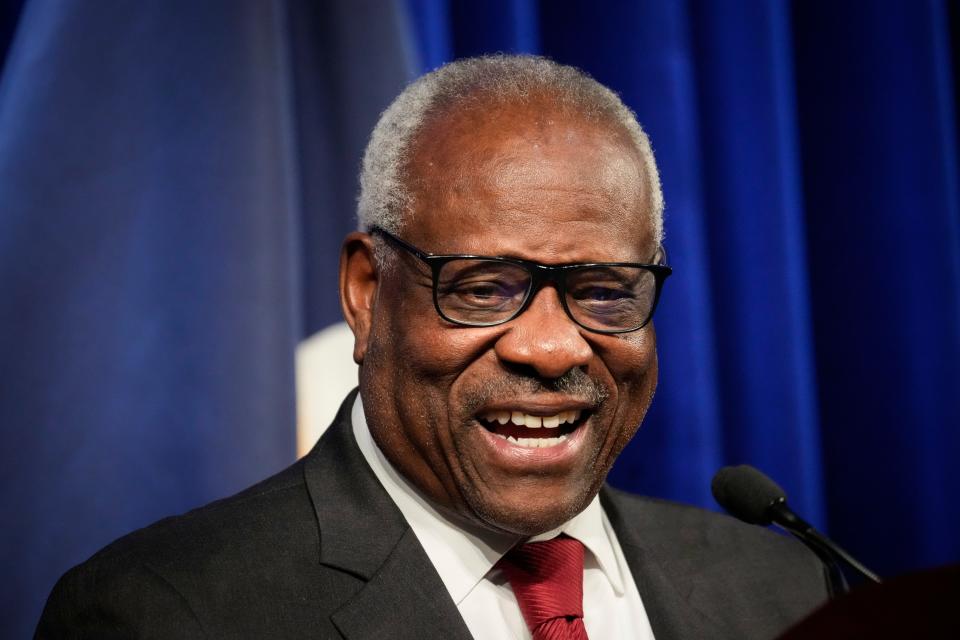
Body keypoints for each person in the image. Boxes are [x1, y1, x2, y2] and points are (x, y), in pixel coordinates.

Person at [36, 55, 828, 639]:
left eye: (601, 291)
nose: (552, 349)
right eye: (484, 287)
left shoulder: (784, 593)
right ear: (367, 293)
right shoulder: (164, 613)